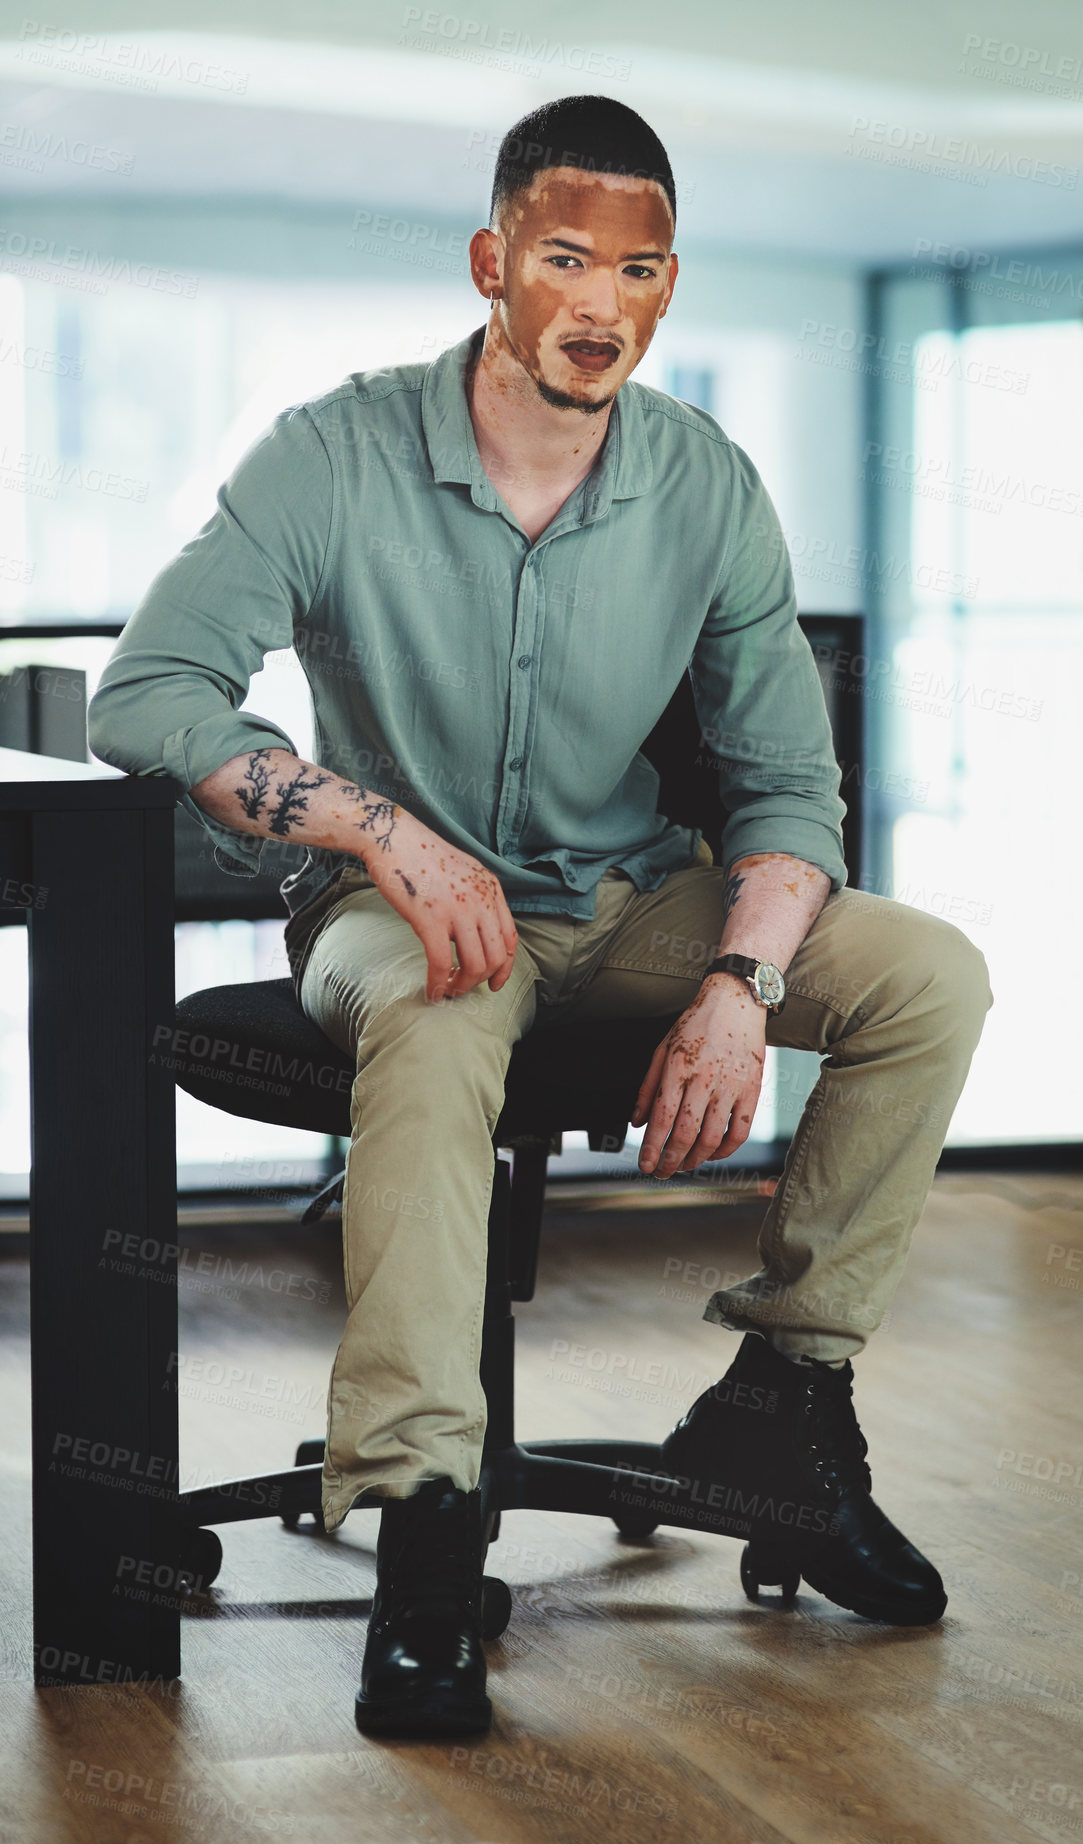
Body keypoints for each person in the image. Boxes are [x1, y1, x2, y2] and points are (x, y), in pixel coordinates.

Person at [87, 93, 993, 1740]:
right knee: (436, 1013)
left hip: (634, 899)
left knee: (929, 974)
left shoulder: (702, 481)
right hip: (388, 910)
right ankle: (431, 1518)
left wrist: (736, 982)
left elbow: (790, 783)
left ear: (665, 290)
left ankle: (785, 1401)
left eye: (639, 271)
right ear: (496, 263)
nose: (601, 304)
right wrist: (379, 831)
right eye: (566, 259)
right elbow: (146, 692)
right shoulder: (333, 452)